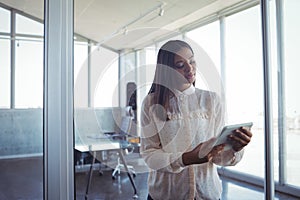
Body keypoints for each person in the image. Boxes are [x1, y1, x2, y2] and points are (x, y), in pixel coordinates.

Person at [140, 40, 252, 200]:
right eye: (180, 64)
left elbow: (218, 156)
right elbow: (149, 156)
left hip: (207, 193)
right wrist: (186, 159)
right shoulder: (151, 103)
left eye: (192, 60)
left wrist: (234, 148)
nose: (190, 68)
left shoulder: (212, 100)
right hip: (165, 195)